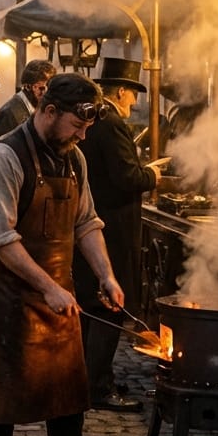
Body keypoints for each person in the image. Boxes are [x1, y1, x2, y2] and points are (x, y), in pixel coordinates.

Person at [0, 73, 129, 436]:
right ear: (48, 111)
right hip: (9, 295)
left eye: (86, 129)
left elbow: (86, 222)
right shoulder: (4, 157)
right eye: (75, 126)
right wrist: (47, 287)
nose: (80, 135)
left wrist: (106, 276)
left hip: (59, 295)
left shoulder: (74, 159)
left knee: (68, 398)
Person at [76, 57, 160, 413]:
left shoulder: (97, 119)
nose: (135, 103)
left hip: (95, 222)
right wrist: (152, 175)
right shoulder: (111, 123)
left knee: (93, 310)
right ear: (121, 91)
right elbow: (127, 177)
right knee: (109, 307)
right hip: (111, 227)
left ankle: (92, 377)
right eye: (133, 94)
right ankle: (98, 387)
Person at [0, 59, 55, 138]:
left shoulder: (36, 108)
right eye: (40, 88)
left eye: (48, 88)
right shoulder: (8, 114)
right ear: (27, 86)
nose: (45, 93)